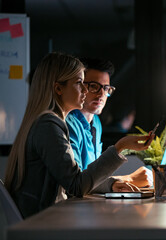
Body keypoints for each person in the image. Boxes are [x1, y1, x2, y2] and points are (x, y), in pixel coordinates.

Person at [4, 52, 154, 218]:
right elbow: (76, 185)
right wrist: (120, 147)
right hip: (43, 221)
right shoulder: (48, 126)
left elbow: (78, 179)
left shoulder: (51, 122)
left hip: (48, 217)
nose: (85, 90)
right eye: (79, 83)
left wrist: (112, 183)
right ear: (58, 88)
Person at [66, 57, 151, 188]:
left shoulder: (96, 123)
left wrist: (122, 181)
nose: (101, 95)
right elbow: (78, 182)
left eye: (106, 88)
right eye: (94, 86)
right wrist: (127, 179)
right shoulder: (68, 123)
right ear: (80, 86)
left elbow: (93, 177)